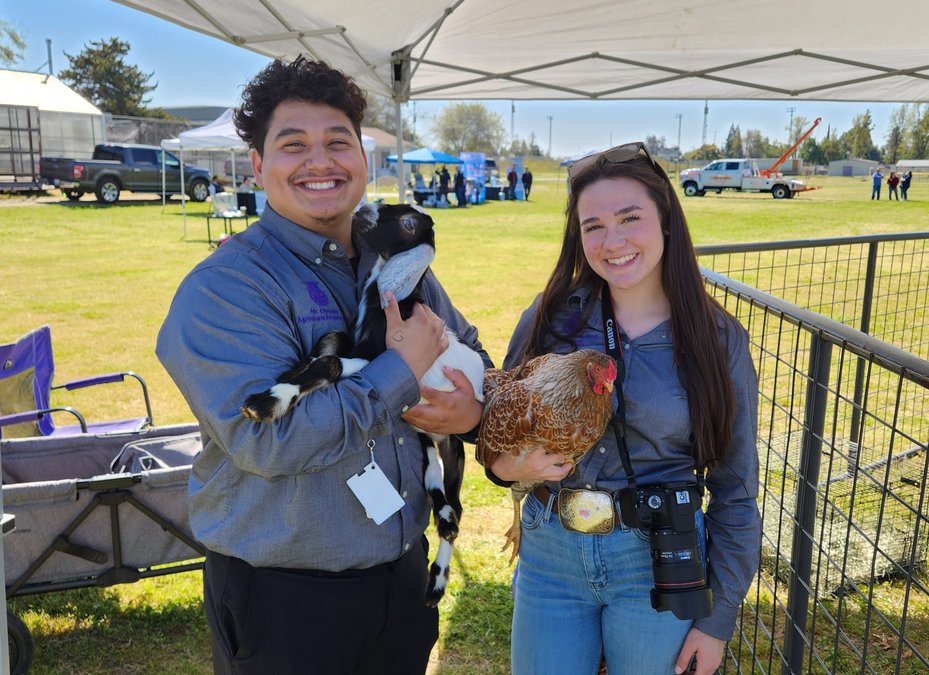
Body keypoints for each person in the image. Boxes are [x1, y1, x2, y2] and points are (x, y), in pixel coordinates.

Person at [157, 56, 489, 675]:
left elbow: (471, 349)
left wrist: (470, 410)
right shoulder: (226, 288)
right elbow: (269, 439)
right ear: (258, 164)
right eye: (293, 144)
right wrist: (401, 371)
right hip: (286, 602)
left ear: (363, 158)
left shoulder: (398, 262)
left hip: (401, 580)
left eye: (338, 142)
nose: (320, 161)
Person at [480, 142, 760, 675]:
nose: (613, 241)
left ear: (667, 221)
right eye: (593, 226)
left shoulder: (716, 339)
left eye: (630, 218)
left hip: (658, 560)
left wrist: (715, 621)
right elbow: (496, 434)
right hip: (551, 555)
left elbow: (737, 490)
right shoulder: (549, 320)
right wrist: (507, 469)